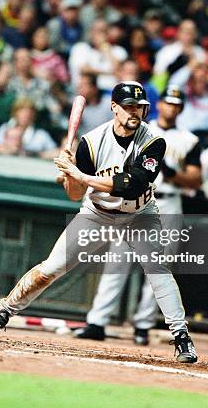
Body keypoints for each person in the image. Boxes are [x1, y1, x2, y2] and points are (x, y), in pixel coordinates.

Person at [0, 81, 198, 364]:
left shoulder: (154, 142)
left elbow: (133, 184)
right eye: (128, 106)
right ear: (114, 108)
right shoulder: (92, 142)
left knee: (157, 270)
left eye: (140, 107)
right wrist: (70, 174)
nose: (135, 112)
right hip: (97, 213)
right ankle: (1, 314)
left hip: (140, 214)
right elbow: (75, 195)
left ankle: (181, 337)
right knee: (50, 269)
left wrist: (82, 177)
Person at [75, 86, 201, 345]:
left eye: (177, 104)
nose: (172, 108)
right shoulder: (142, 129)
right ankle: (97, 320)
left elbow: (196, 180)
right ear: (159, 104)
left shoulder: (189, 139)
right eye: (168, 102)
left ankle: (143, 325)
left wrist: (172, 172)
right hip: (136, 200)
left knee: (157, 266)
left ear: (181, 108)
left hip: (168, 202)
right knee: (117, 261)